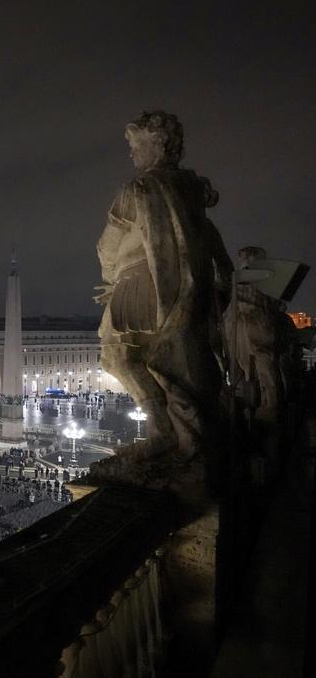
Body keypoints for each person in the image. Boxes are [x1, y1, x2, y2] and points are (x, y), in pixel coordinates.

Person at [93, 111, 232, 473]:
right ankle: (179, 428)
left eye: (134, 144)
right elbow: (213, 249)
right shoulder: (190, 194)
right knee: (159, 354)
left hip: (138, 284)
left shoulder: (137, 189)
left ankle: (160, 428)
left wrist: (112, 277)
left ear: (154, 144)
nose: (131, 152)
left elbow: (106, 246)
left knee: (116, 354)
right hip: (182, 289)